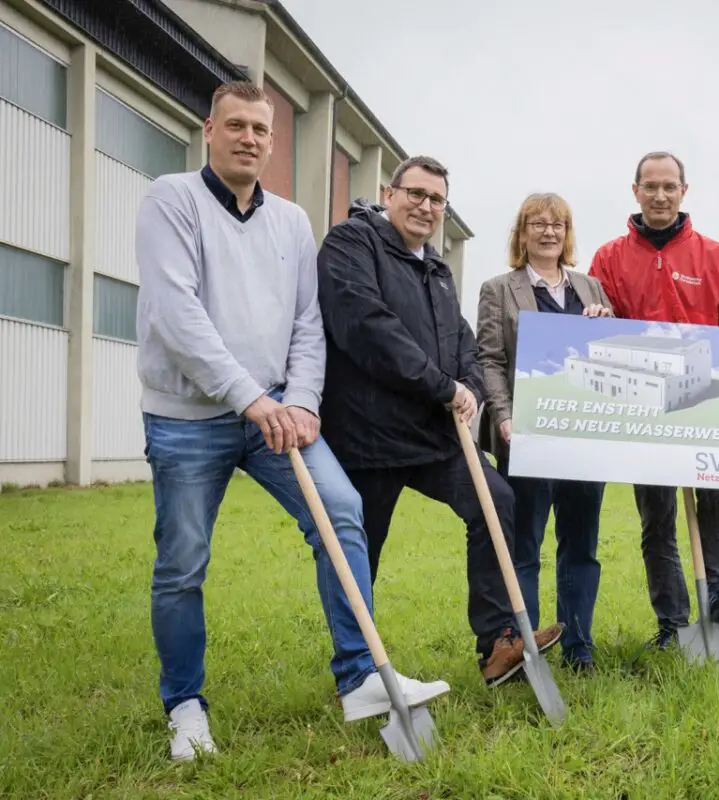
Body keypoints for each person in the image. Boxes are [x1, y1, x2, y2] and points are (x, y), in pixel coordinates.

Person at [134, 81, 448, 762]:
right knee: (183, 563)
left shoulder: (291, 221)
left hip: (279, 412)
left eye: (262, 130)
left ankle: (361, 676)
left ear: (273, 142)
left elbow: (310, 322)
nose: (250, 138)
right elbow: (176, 314)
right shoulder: (171, 199)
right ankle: (185, 705)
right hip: (191, 415)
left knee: (341, 513)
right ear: (210, 129)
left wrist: (302, 401)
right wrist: (254, 398)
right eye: (238, 125)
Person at [314, 155, 564, 688]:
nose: (426, 207)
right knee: (361, 551)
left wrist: (470, 388)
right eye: (416, 194)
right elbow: (369, 329)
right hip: (368, 437)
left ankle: (498, 644)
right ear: (389, 193)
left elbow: (463, 344)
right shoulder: (350, 245)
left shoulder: (438, 270)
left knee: (496, 501)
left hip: (434, 437)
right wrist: (442, 385)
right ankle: (358, 671)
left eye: (437, 200)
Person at [588, 151, 719, 651]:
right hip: (642, 403)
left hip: (704, 400)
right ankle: (671, 621)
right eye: (651, 186)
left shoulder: (712, 256)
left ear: (684, 191)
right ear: (636, 190)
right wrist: (596, 319)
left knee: (716, 494)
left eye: (670, 186)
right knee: (657, 515)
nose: (660, 195)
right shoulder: (608, 258)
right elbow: (595, 324)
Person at [476, 193, 613, 674]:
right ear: (522, 231)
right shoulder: (499, 289)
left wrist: (605, 322)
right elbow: (489, 359)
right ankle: (526, 649)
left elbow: (613, 356)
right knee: (525, 546)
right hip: (526, 438)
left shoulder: (592, 288)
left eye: (558, 224)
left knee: (581, 546)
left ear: (567, 232)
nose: (549, 231)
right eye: (538, 223)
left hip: (585, 441)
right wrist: (504, 414)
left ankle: (579, 645)